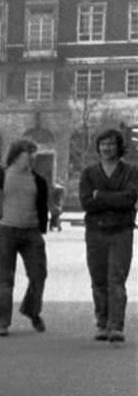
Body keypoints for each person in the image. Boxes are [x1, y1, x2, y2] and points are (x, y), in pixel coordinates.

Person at [79, 129, 138, 343]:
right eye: (103, 144)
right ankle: (102, 323)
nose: (107, 148)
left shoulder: (131, 172)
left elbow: (129, 199)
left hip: (121, 232)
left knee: (116, 279)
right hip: (95, 232)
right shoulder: (89, 173)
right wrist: (113, 199)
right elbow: (86, 203)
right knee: (98, 279)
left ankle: (116, 326)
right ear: (98, 147)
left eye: (111, 144)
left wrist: (100, 196)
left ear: (119, 146)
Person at [0, 138, 49, 337]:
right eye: (28, 153)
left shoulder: (38, 180)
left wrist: (42, 227)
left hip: (31, 231)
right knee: (5, 278)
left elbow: (42, 206)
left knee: (38, 274)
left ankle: (31, 309)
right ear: (16, 156)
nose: (32, 157)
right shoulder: (1, 176)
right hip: (6, 230)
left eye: (34, 153)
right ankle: (2, 322)